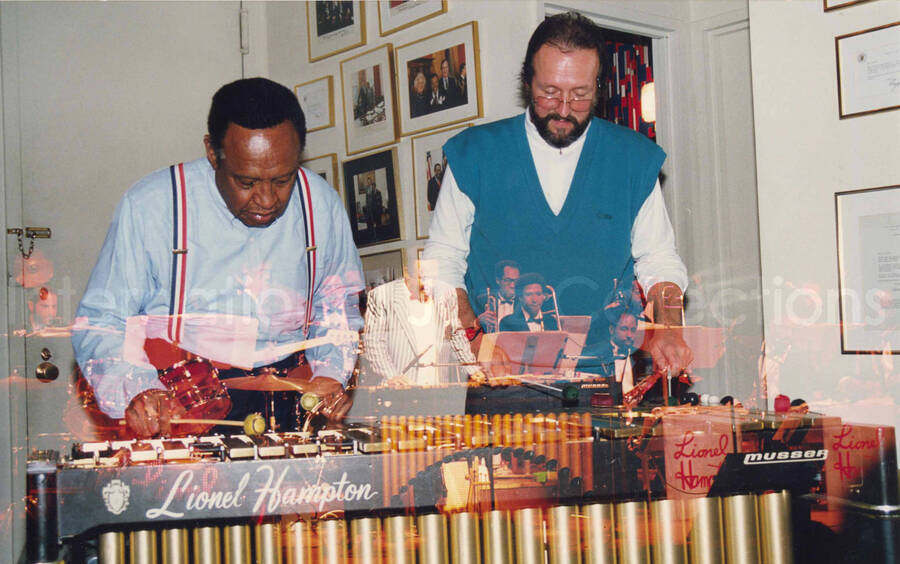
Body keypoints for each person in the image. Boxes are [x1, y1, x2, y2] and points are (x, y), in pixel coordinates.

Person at [73, 77, 364, 438]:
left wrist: (331, 373)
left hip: (289, 404)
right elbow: (103, 319)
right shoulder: (153, 205)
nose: (267, 199)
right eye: (246, 182)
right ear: (213, 152)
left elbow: (337, 306)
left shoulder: (320, 203)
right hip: (181, 405)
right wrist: (136, 387)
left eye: (282, 179)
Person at [424, 11, 691, 377]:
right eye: (549, 93)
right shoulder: (475, 154)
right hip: (495, 375)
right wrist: (473, 340)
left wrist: (671, 328)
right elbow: (442, 263)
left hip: (604, 374)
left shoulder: (632, 159)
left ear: (599, 87)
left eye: (580, 95)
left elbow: (659, 260)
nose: (563, 110)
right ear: (526, 81)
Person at [363, 259, 485, 387]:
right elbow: (374, 343)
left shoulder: (446, 292)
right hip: (399, 389)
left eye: (434, 278)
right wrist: (392, 376)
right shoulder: (382, 295)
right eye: (423, 278)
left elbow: (456, 335)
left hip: (437, 388)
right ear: (407, 274)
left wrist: (473, 370)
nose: (429, 284)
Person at [473, 260, 519, 334]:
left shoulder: (525, 302)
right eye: (507, 280)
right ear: (498, 280)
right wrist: (478, 322)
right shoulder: (482, 300)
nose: (513, 285)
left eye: (516, 281)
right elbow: (466, 328)